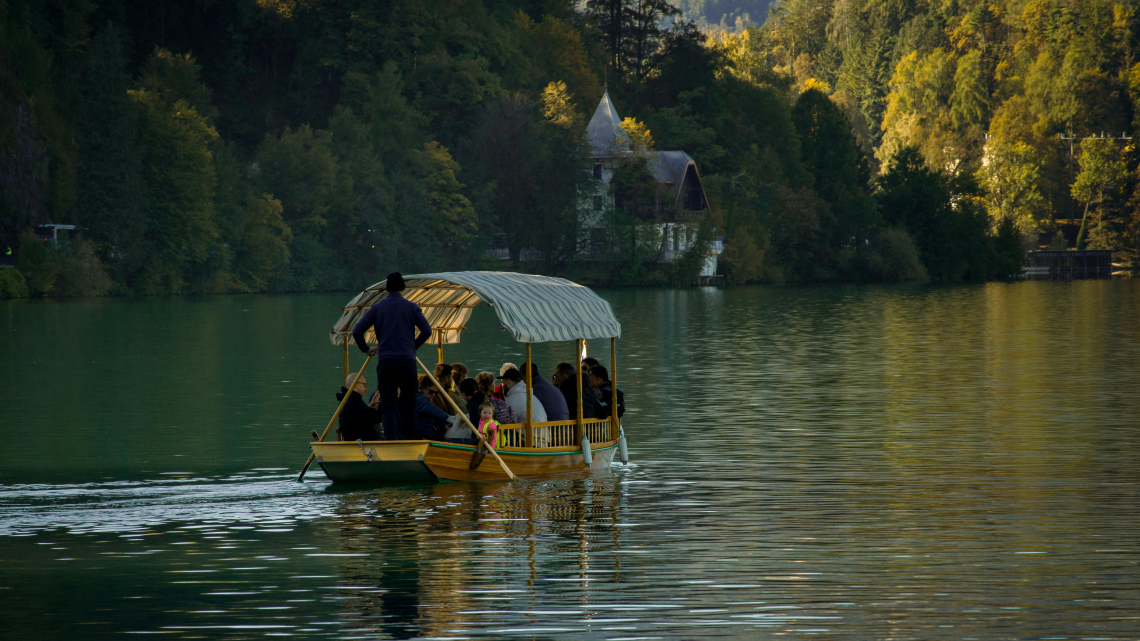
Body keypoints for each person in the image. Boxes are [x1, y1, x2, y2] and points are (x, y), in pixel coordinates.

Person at [353, 272, 432, 440]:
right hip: (407, 362)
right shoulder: (412, 307)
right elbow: (427, 331)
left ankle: (391, 440)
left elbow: (357, 331)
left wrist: (366, 349)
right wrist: (412, 347)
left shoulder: (376, 308)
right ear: (403, 288)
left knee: (388, 405)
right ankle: (409, 440)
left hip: (386, 362)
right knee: (410, 404)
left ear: (387, 289)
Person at [335, 375, 383, 441]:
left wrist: (372, 405)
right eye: (364, 385)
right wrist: (386, 402)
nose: (366, 389)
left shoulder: (346, 400)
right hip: (360, 443)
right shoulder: (353, 402)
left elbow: (362, 416)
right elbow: (377, 418)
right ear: (355, 385)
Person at [415, 376, 454, 440]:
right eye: (431, 392)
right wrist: (452, 419)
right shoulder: (419, 399)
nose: (433, 395)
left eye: (436, 393)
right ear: (423, 388)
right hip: (420, 437)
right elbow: (435, 411)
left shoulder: (423, 399)